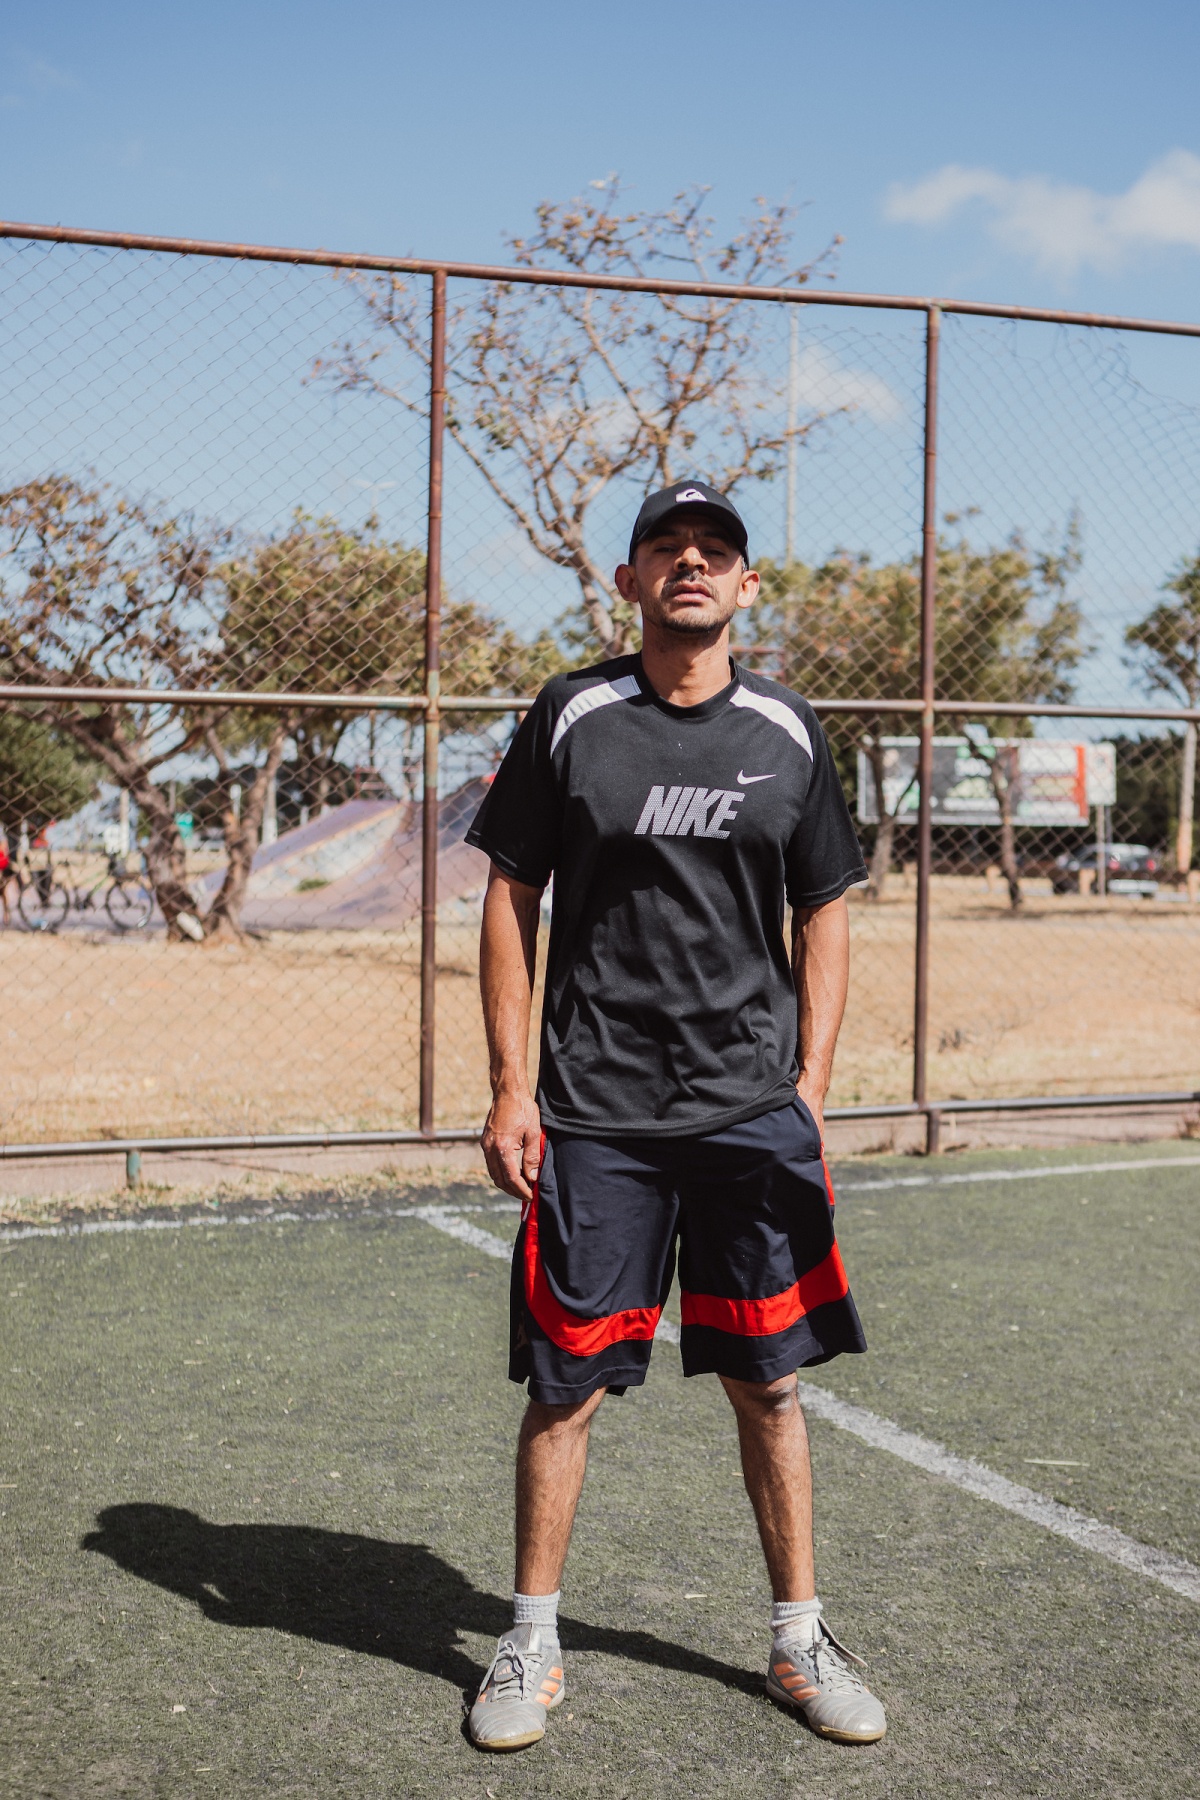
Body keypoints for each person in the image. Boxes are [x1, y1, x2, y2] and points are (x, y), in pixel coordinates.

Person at [464, 479, 884, 1753]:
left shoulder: (791, 729)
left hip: (748, 1112)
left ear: (746, 586)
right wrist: (508, 1084)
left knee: (769, 1384)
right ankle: (529, 1641)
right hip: (596, 1114)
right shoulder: (573, 715)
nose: (692, 566)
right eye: (669, 550)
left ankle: (798, 1640)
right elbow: (509, 897)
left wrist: (810, 1084)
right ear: (630, 581)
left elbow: (824, 910)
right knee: (565, 1388)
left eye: (717, 553)